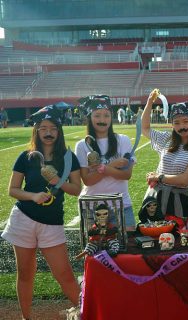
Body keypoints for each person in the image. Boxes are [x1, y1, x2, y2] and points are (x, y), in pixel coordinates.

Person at [1, 105, 81, 319]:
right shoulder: (26, 157)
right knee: (26, 274)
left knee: (64, 274)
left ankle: (89, 313)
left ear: (59, 131)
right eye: (43, 128)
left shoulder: (67, 157)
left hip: (52, 222)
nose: (48, 132)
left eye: (53, 128)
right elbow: (13, 190)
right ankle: (26, 317)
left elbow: (76, 189)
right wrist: (34, 196)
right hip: (23, 219)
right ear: (36, 131)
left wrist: (56, 181)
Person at [74, 95, 136, 231]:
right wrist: (112, 165)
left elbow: (126, 175)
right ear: (90, 117)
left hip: (121, 205)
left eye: (106, 115)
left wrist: (101, 169)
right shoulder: (82, 145)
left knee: (128, 248)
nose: (102, 120)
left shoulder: (123, 140)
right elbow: (88, 181)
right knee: (94, 249)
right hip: (91, 208)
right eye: (97, 115)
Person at [142, 89, 188, 218]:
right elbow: (145, 128)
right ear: (172, 125)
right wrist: (149, 103)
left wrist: (159, 177)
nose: (181, 126)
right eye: (176, 123)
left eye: (185, 121)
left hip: (179, 200)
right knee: (153, 233)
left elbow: (184, 180)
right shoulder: (166, 139)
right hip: (155, 196)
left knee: (179, 235)